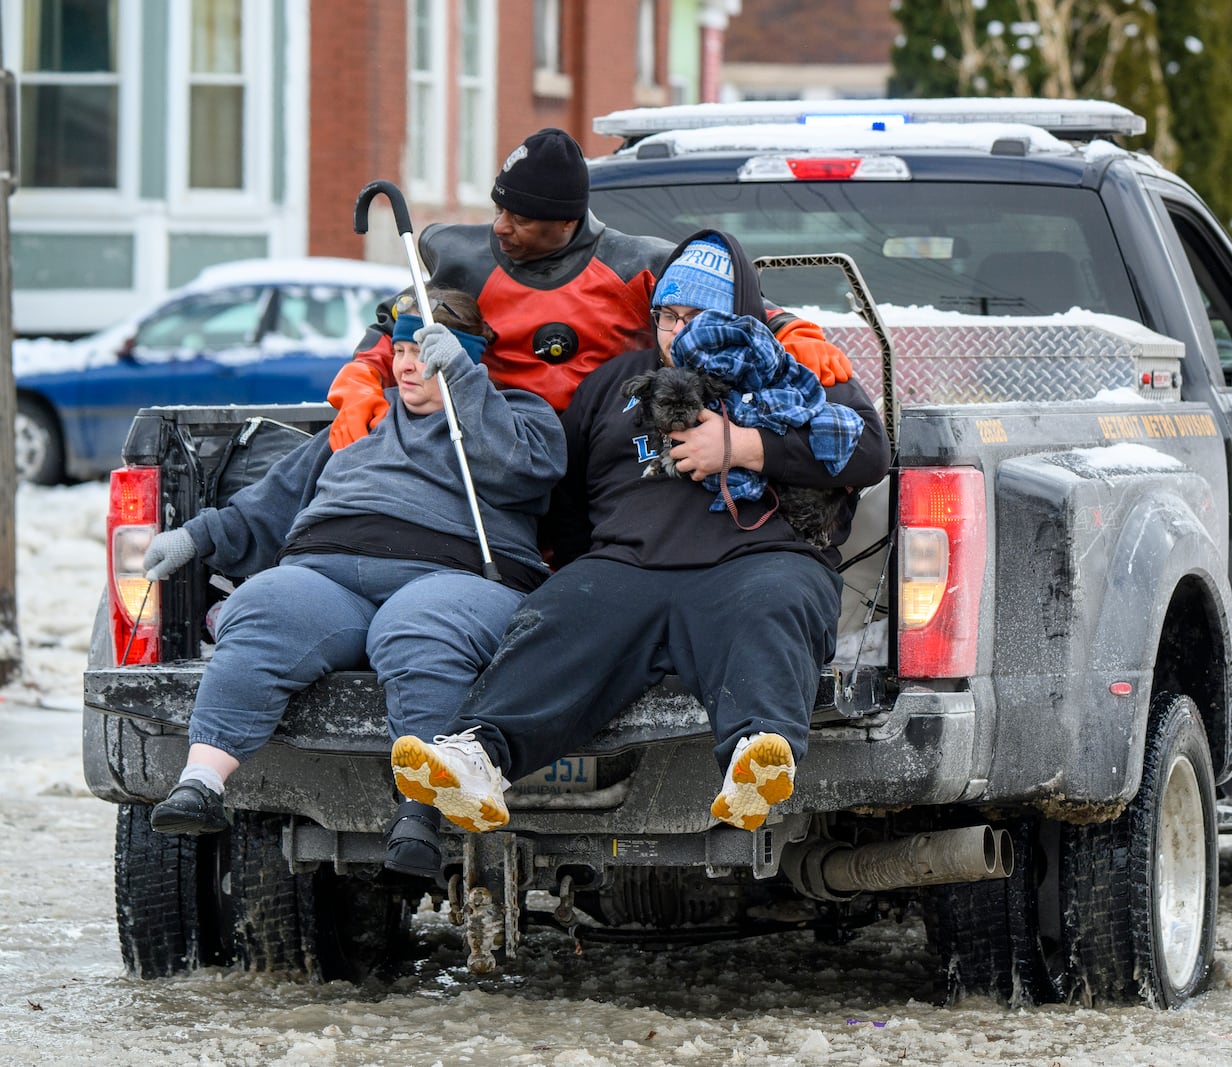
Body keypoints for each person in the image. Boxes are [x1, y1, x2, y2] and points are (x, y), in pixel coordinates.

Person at [386, 231, 890, 838]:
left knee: (773, 608)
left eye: (697, 317)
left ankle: (757, 760)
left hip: (758, 557)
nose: (678, 332)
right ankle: (479, 759)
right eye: (667, 317)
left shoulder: (783, 371)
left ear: (738, 316)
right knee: (560, 612)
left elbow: (868, 449)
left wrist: (746, 446)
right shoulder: (611, 384)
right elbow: (563, 501)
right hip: (625, 567)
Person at [139, 288, 566, 881]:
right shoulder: (366, 415)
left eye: (429, 350)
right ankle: (201, 785)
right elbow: (274, 500)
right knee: (264, 605)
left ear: (464, 355)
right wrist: (195, 537)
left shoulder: (517, 415)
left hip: (454, 576)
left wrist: (465, 384)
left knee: (418, 627)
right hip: (326, 572)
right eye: (403, 348)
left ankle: (418, 813)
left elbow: (526, 470)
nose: (411, 363)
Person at [326, 127, 853, 447]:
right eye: (499, 210)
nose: (501, 227)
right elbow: (393, 330)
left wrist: (794, 332)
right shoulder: (459, 258)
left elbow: (735, 308)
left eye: (521, 218)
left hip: (611, 456)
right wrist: (359, 384)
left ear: (565, 222)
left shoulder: (634, 265)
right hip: (493, 455)